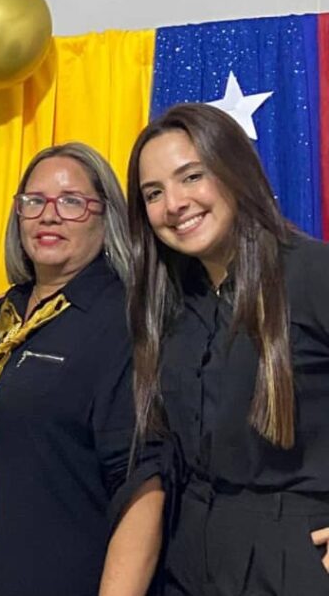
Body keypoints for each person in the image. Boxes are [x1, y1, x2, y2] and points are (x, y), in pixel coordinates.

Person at [0, 143, 164, 596]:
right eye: (34, 201)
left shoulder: (121, 321)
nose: (49, 216)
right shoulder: (1, 315)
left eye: (71, 202)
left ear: (105, 216)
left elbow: (143, 486)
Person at [127, 102, 329, 595]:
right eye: (154, 193)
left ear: (233, 169)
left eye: (191, 176)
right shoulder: (170, 306)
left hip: (295, 562)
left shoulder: (313, 274)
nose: (174, 204)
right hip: (190, 562)